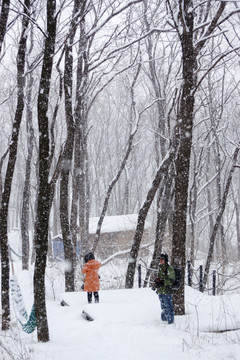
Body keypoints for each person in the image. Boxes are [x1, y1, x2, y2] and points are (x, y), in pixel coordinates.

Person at [153, 253, 175, 324]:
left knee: (169, 307)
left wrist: (163, 282)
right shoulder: (160, 267)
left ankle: (170, 322)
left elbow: (171, 280)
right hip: (161, 291)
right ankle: (164, 321)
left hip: (167, 291)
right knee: (163, 307)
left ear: (165, 260)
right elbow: (160, 278)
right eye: (160, 259)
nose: (161, 261)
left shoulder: (169, 268)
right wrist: (156, 283)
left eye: (162, 259)